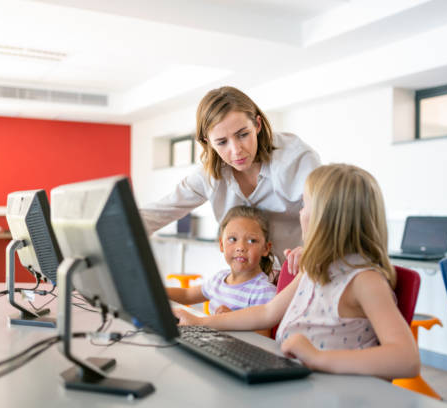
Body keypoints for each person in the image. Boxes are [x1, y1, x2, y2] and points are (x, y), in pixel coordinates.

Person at [174, 164, 420, 380]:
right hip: (297, 379)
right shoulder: (316, 269)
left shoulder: (364, 281)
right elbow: (267, 312)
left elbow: (406, 359)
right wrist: (201, 322)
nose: (300, 213)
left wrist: (317, 358)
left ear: (324, 220)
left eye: (305, 205)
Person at [140, 86, 320, 274]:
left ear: (257, 125)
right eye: (222, 142)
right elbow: (157, 213)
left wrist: (312, 248)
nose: (236, 151)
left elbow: (327, 214)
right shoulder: (208, 176)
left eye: (243, 135)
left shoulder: (296, 159)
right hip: (250, 280)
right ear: (207, 141)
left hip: (304, 272)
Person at [167, 206, 277, 335]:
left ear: (266, 248)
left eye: (252, 240)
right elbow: (187, 295)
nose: (241, 247)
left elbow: (263, 336)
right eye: (232, 239)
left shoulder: (264, 291)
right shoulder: (219, 279)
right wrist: (153, 288)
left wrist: (231, 319)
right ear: (221, 244)